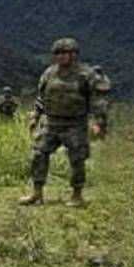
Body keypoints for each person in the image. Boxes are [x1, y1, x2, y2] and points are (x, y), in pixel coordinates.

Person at [19, 38, 108, 208]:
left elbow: (98, 101)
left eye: (63, 53)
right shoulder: (50, 73)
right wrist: (35, 116)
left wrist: (99, 122)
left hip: (75, 124)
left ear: (74, 55)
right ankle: (37, 192)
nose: (60, 57)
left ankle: (77, 194)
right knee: (39, 153)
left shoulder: (86, 75)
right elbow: (42, 97)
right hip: (52, 122)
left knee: (77, 158)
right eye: (57, 54)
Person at [90, 65, 112, 138]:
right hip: (103, 102)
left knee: (98, 118)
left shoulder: (92, 79)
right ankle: (100, 133)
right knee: (102, 119)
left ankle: (97, 133)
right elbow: (108, 88)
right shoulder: (105, 79)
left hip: (96, 102)